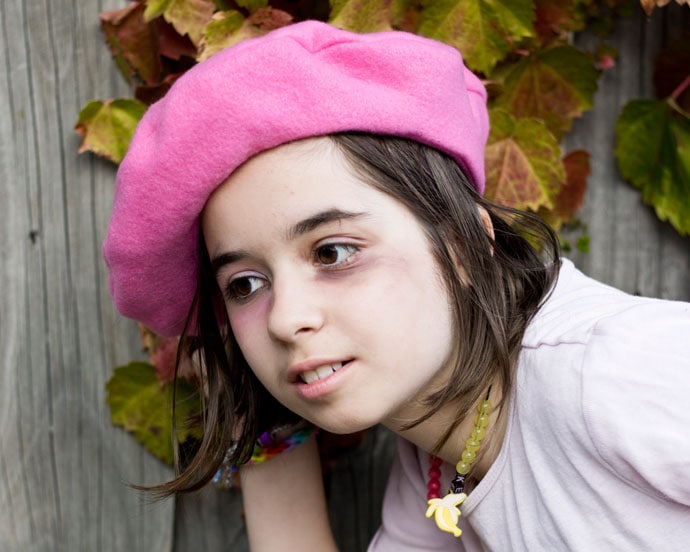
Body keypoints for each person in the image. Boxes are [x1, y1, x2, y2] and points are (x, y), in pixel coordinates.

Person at [103, 20, 690, 551]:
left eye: (333, 252)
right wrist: (262, 427)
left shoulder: (619, 373)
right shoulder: (435, 463)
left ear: (464, 243)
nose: (285, 320)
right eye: (246, 284)